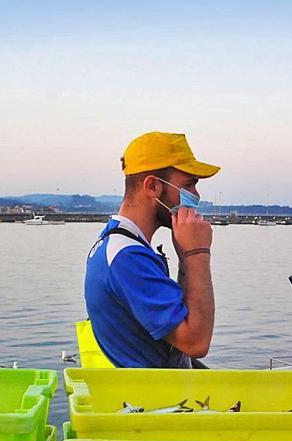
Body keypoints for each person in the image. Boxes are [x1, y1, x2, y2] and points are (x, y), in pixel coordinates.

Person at [84, 131, 218, 368]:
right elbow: (196, 342)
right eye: (189, 185)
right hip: (155, 401)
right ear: (153, 186)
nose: (195, 196)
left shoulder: (120, 244)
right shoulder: (127, 257)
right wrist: (197, 254)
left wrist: (185, 256)